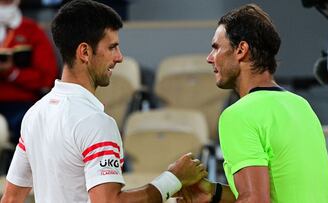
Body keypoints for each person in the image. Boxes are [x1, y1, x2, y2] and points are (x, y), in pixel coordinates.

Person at [0, 0, 207, 202]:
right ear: (85, 52)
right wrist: (173, 180)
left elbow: (10, 198)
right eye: (112, 47)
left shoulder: (35, 113)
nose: (119, 57)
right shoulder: (96, 123)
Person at [177, 4, 328, 203]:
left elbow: (255, 200)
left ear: (241, 50)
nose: (209, 58)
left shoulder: (239, 115)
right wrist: (213, 193)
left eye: (216, 47)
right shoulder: (302, 106)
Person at [0, 0, 58, 146]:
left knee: (32, 127)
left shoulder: (31, 31)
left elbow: (47, 77)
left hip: (20, 104)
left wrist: (13, 73)